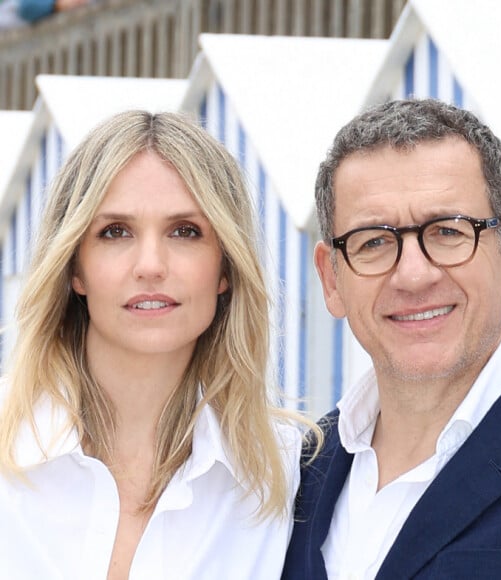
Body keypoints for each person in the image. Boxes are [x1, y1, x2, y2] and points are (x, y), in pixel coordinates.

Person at [0, 110, 317, 579]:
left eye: (185, 231)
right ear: (74, 268)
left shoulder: (287, 473)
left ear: (225, 268)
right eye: (115, 232)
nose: (150, 265)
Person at [283, 98, 501, 579]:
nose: (414, 275)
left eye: (447, 231)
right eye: (373, 242)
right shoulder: (292, 478)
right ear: (332, 280)